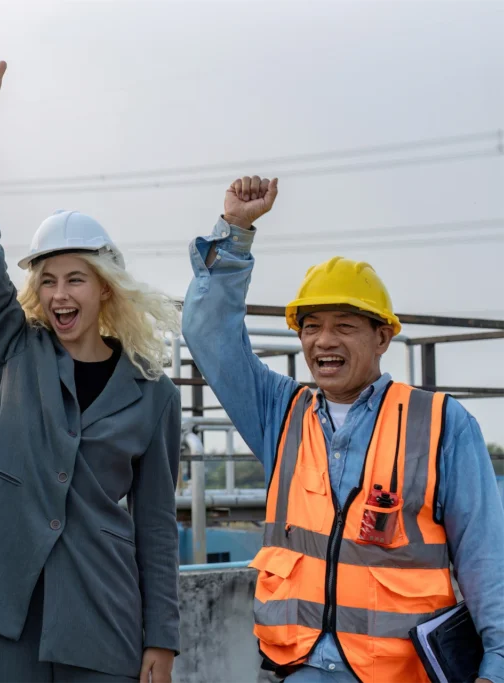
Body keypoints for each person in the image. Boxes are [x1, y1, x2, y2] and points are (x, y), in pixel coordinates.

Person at [181, 175, 504, 682]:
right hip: (296, 669)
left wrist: (497, 663)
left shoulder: (442, 424)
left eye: (344, 326)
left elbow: (487, 556)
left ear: (382, 337)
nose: (323, 341)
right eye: (311, 326)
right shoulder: (281, 413)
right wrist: (236, 232)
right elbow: (208, 334)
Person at [0, 31, 183, 683]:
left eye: (76, 278)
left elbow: (156, 524)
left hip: (103, 612)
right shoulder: (18, 350)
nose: (60, 293)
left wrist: (163, 638)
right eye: (48, 279)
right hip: (6, 604)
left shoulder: (153, 391)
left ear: (105, 288)